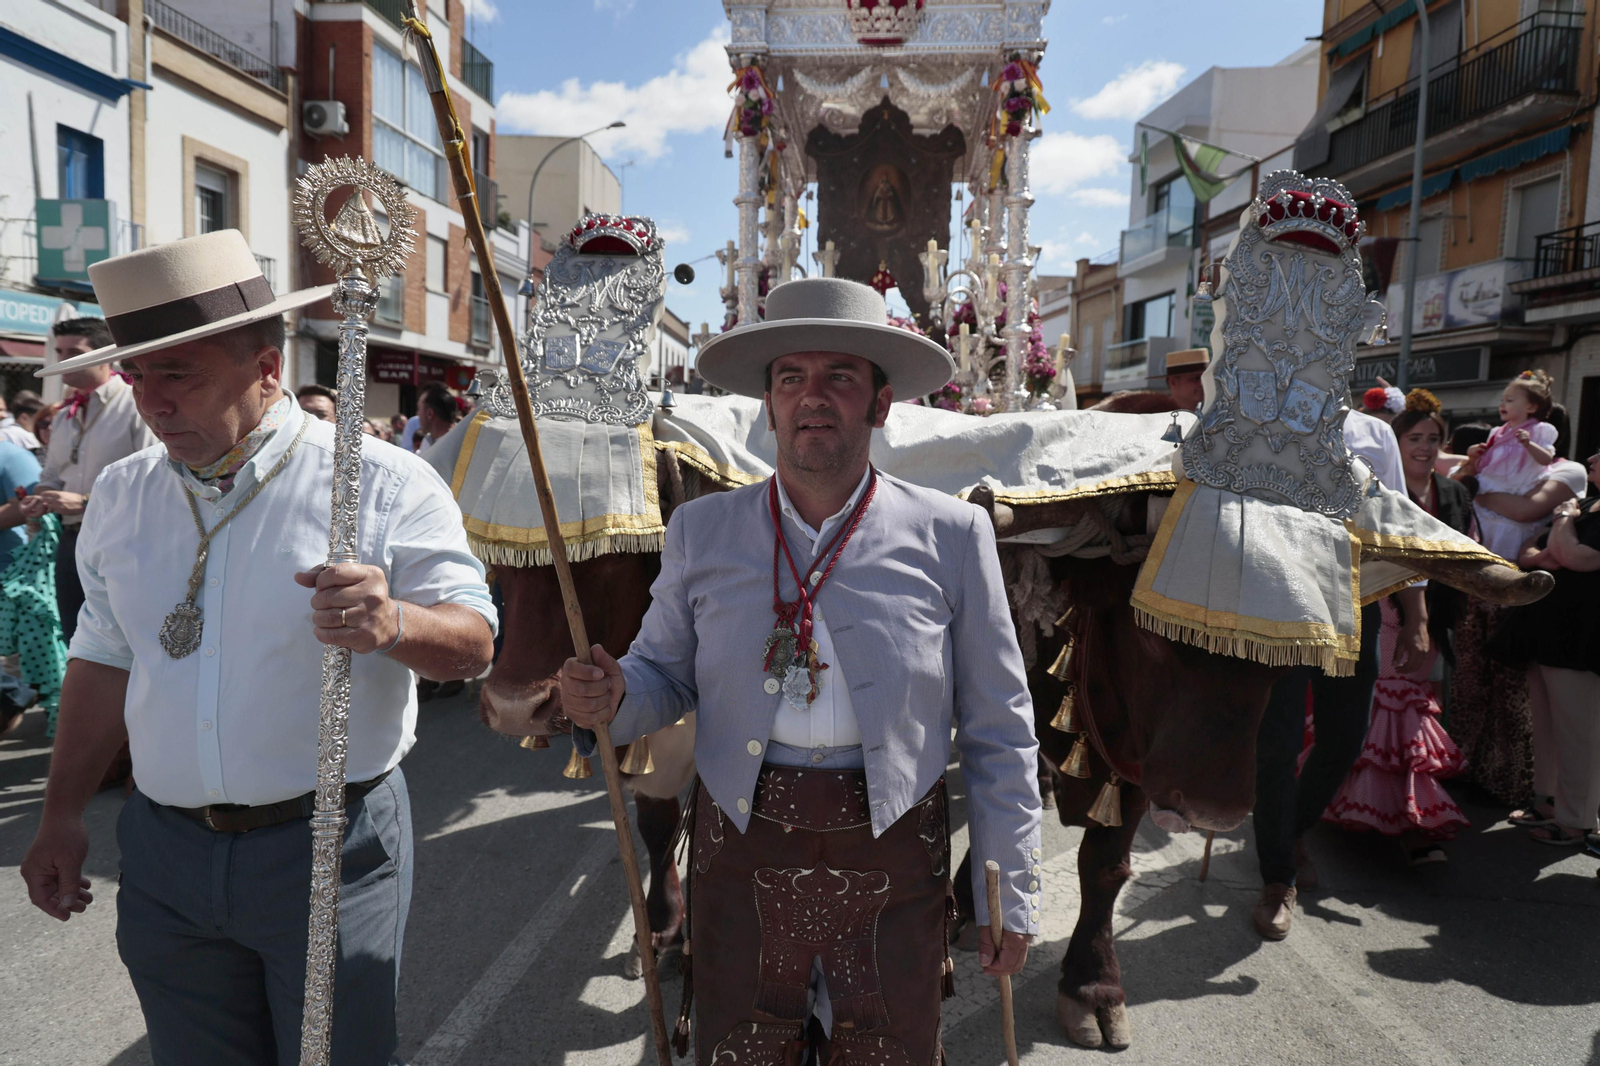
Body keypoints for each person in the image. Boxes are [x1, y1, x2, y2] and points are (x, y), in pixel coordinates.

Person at [17, 230, 497, 1066]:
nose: (153, 401)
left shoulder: (382, 482)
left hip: (328, 847)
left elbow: (477, 643)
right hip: (164, 856)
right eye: (138, 375)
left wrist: (397, 626)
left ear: (267, 368)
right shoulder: (123, 496)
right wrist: (61, 812)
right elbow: (102, 658)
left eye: (180, 374)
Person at [561, 277, 1041, 1064]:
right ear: (770, 402)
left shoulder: (953, 535)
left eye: (840, 378)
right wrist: (613, 696)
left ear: (880, 404)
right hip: (740, 849)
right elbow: (661, 675)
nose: (812, 397)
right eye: (791, 378)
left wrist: (1007, 890)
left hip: (894, 854)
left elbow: (999, 730)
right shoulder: (700, 530)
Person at [1252, 405, 1429, 940]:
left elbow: (1400, 524)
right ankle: (1277, 876)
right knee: (1276, 745)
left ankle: (1290, 828)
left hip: (1355, 600)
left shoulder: (1374, 432)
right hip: (1277, 598)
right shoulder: (1260, 415)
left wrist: (1418, 617)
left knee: (1346, 738)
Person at [1322, 391, 1472, 863]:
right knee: (1378, 715)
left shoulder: (1455, 492)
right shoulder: (1374, 472)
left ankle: (1405, 818)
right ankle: (1382, 818)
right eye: (1415, 437)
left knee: (1411, 716)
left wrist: (1426, 615)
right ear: (1397, 441)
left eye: (1433, 439)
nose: (1424, 447)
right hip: (1372, 603)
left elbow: (1455, 547)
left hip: (1426, 612)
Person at [1449, 404, 1585, 808]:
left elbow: (1527, 509)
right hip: (1478, 582)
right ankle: (1468, 767)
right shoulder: (1499, 465)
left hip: (1522, 591)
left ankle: (1514, 781)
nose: (1506, 433)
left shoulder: (1568, 470)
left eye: (1515, 426)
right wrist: (1474, 475)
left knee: (1514, 694)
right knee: (1471, 685)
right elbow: (1457, 491)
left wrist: (1480, 490)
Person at [0, 318, 158, 643]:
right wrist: (41, 498)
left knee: (123, 639)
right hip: (71, 540)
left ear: (104, 355)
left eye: (74, 351)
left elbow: (154, 478)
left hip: (124, 540)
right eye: (60, 351)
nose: (63, 359)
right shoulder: (63, 414)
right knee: (77, 639)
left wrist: (84, 502)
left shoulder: (134, 403)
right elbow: (51, 476)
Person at [1491, 452, 1600, 847]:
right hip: (1547, 631)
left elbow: (1575, 557)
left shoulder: (1574, 511)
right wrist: (1561, 542)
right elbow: (1530, 553)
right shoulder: (1586, 505)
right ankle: (1550, 802)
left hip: (1582, 636)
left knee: (1579, 732)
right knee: (1549, 725)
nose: (1592, 457)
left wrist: (1564, 523)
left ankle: (1577, 821)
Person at [1453, 370, 1561, 561]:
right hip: (1489, 487)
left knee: (1501, 547)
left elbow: (1546, 459)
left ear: (1532, 406)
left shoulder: (1540, 430)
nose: (1503, 404)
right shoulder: (1497, 432)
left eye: (1510, 400)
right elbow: (1486, 464)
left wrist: (1529, 444)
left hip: (1514, 492)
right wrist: (1474, 454)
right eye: (1503, 399)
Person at [414, 383, 459, 458]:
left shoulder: (459, 444)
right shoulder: (427, 441)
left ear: (430, 414)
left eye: (419, 409)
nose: (417, 413)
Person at [9, 391, 48, 458]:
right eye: (38, 420)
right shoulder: (27, 437)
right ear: (24, 418)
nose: (39, 424)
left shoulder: (4, 430)